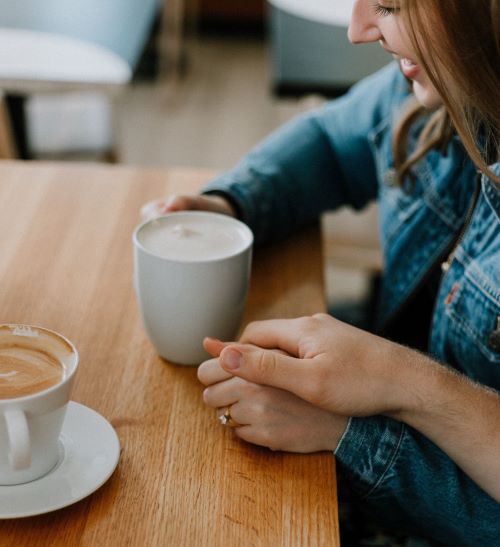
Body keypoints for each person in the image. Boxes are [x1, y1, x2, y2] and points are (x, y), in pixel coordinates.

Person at [143, 1, 500, 544]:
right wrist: (231, 202)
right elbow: (335, 140)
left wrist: (361, 425)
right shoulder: (458, 84)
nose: (358, 31)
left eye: (390, 5)